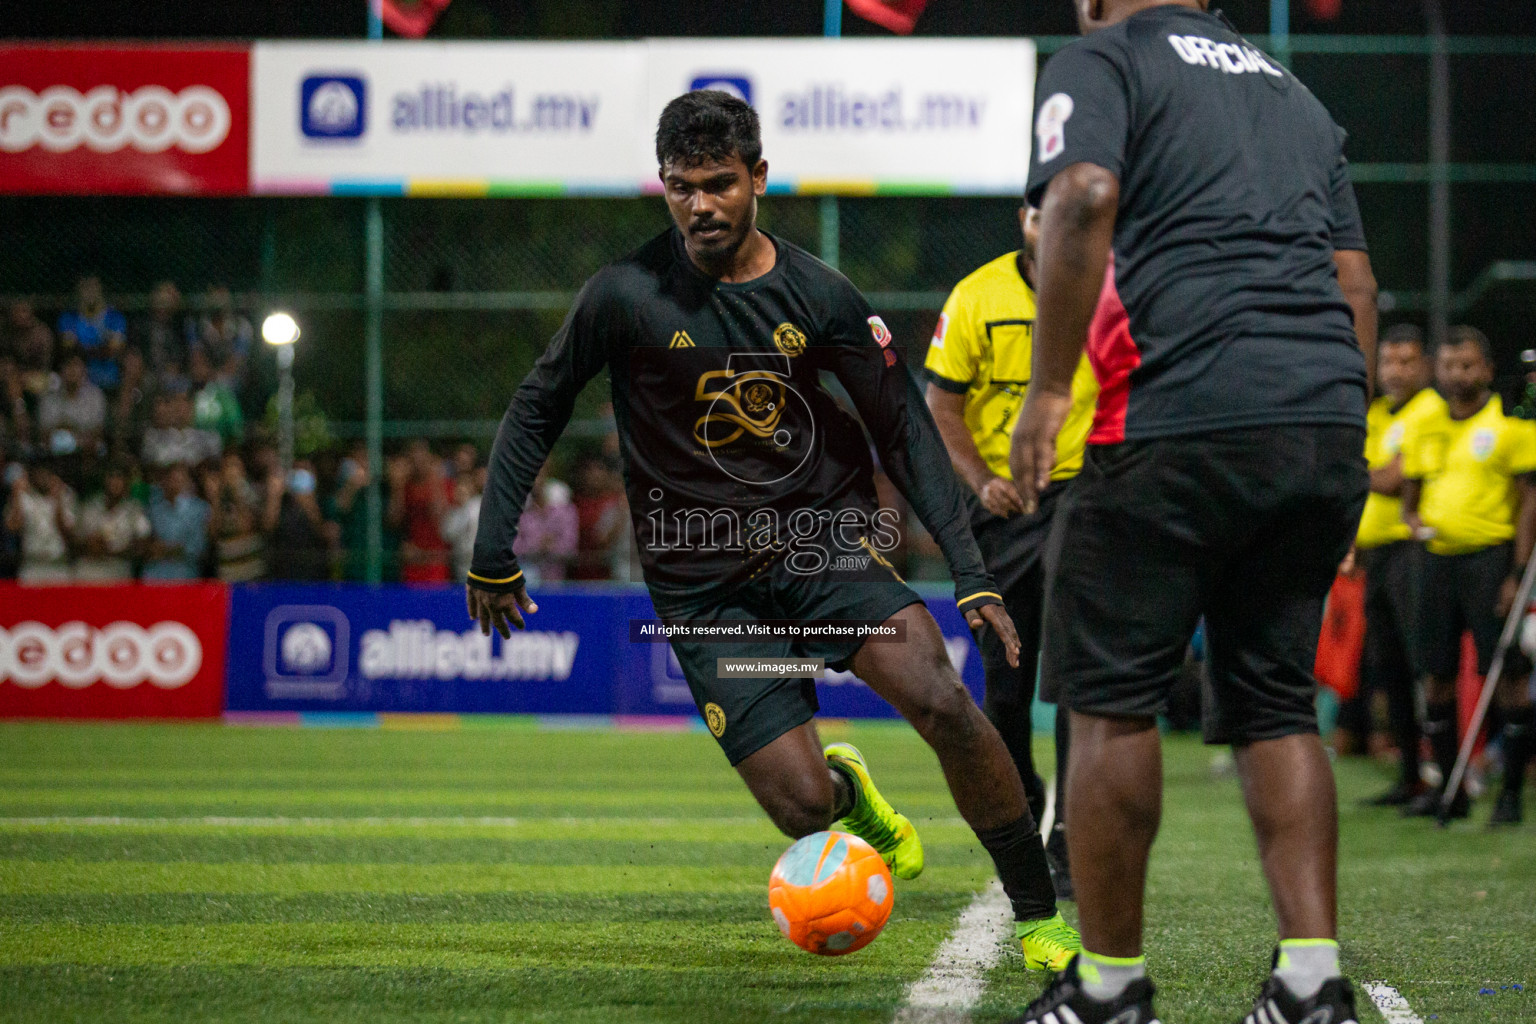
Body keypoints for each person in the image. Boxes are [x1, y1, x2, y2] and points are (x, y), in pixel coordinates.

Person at [466, 90, 1080, 970]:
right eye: (681, 186)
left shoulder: (819, 294)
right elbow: (536, 407)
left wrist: (972, 569)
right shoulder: (623, 295)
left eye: (718, 183)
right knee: (800, 808)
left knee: (942, 698)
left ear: (759, 177)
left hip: (822, 549)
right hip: (703, 590)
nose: (699, 205)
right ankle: (850, 795)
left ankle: (1035, 914)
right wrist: (494, 550)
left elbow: (901, 427)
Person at [1007, 2, 1377, 1021]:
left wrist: (1047, 392)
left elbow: (1081, 193)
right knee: (1274, 702)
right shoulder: (1294, 94)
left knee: (1111, 700)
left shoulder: (1104, 57)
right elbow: (1355, 281)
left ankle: (1109, 989)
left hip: (1177, 414)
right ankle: (1310, 985)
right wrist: (1340, 425)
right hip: (1320, 424)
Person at [924, 205, 1099, 901]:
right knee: (1005, 681)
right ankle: (1024, 803)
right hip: (1000, 507)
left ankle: (1070, 836)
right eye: (1040, 211)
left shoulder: (1108, 292)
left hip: (1079, 496)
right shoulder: (976, 295)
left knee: (1072, 672)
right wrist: (982, 481)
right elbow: (941, 406)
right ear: (1026, 220)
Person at [1400, 326, 1536, 825]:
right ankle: (1450, 789)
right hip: (1436, 561)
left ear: (1487, 369)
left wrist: (1517, 573)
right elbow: (1411, 492)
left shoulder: (1512, 424)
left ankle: (1511, 796)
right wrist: (1412, 521)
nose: (1457, 375)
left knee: (1507, 675)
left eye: (1467, 365)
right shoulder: (1427, 424)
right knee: (1434, 676)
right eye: (1448, 366)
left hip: (1490, 560)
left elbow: (1529, 504)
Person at [1351, 325, 1441, 806]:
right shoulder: (1377, 413)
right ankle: (1410, 776)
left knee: (1423, 664)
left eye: (1407, 361)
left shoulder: (1430, 411)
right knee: (1389, 668)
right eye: (1388, 361)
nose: (1395, 371)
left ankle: (1443, 772)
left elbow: (1390, 479)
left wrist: (1349, 466)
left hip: (1414, 553)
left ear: (1424, 366)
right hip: (1378, 555)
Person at [72, 459, 151, 581]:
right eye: (111, 477)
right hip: (89, 569)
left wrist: (111, 551)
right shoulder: (90, 506)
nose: (115, 482)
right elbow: (76, 541)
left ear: (126, 482)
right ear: (104, 480)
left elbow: (142, 545)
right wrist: (90, 545)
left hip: (119, 570)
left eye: (119, 478)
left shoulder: (134, 509)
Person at [390, 440, 454, 583]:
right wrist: (397, 487)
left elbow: (440, 518)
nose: (418, 463)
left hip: (435, 559)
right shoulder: (405, 486)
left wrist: (435, 481)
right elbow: (394, 520)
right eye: (414, 459)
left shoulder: (444, 485)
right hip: (412, 558)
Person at [5, 460, 77, 583]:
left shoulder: (66, 495)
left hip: (57, 565)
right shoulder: (23, 497)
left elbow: (67, 531)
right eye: (39, 474)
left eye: (46, 475)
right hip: (32, 565)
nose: (42, 478)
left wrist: (58, 500)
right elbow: (13, 527)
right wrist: (16, 495)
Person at [57, 275, 128, 393]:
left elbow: (113, 350)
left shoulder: (115, 317)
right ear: (78, 291)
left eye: (94, 287)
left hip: (109, 375)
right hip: (77, 378)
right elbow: (69, 349)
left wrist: (83, 349)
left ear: (101, 290)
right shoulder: (68, 318)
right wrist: (101, 347)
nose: (90, 291)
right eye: (85, 287)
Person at [143, 462, 210, 580]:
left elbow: (197, 548)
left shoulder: (199, 509)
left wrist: (168, 549)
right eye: (172, 480)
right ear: (164, 482)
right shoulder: (153, 510)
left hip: (185, 577)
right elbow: (146, 544)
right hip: (155, 576)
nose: (175, 485)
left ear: (188, 482)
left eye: (180, 480)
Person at [37, 352, 107, 457]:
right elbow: (45, 433)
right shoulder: (49, 398)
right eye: (68, 365)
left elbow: (98, 431)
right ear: (61, 371)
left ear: (84, 370)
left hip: (87, 452)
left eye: (76, 365)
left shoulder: (95, 396)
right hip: (55, 453)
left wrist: (74, 434)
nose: (72, 370)